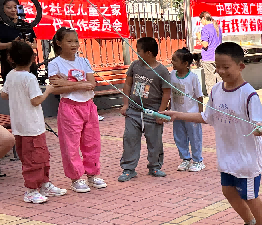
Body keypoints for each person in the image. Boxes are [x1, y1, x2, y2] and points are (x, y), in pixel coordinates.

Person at [165, 42, 262, 225]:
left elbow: (261, 124)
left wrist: (259, 129)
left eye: (226, 67)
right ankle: (249, 224)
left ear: (241, 66)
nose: (221, 71)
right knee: (228, 191)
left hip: (246, 157)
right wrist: (177, 115)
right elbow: (207, 117)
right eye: (217, 67)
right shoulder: (215, 90)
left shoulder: (249, 94)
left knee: (249, 195)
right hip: (227, 153)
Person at [0, 41, 65, 203]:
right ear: (33, 58)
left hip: (20, 126)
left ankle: (44, 183)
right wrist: (48, 90)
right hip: (32, 127)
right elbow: (36, 101)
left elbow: (4, 94)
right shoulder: (29, 78)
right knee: (35, 158)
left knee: (36, 156)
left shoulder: (10, 75)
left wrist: (17, 96)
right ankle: (30, 190)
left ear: (11, 59)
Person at [47, 28, 107, 193]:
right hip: (69, 106)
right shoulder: (55, 64)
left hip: (88, 105)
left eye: (76, 41)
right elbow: (55, 88)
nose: (74, 44)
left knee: (92, 141)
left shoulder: (84, 61)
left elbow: (92, 83)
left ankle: (92, 174)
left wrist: (67, 84)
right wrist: (80, 85)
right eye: (69, 41)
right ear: (59, 43)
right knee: (71, 145)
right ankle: (76, 178)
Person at [118, 37, 170, 182]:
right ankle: (128, 168)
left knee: (154, 140)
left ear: (148, 53)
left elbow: (166, 93)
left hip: (152, 112)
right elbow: (127, 85)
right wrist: (126, 104)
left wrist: (160, 112)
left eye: (138, 51)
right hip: (133, 111)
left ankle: (154, 166)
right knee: (130, 138)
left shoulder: (162, 71)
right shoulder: (135, 66)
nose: (136, 53)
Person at [169, 48, 205, 172]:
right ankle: (185, 159)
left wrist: (200, 113)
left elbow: (199, 96)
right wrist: (169, 109)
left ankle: (198, 160)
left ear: (185, 64)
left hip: (191, 114)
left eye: (175, 60)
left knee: (195, 137)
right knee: (179, 137)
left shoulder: (193, 77)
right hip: (177, 113)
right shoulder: (172, 75)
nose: (172, 62)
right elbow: (170, 93)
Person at [0, 0, 37, 82]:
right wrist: (12, 44)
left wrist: (28, 45)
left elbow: (34, 44)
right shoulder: (1, 26)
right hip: (9, 65)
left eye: (15, 7)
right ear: (2, 9)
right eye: (9, 7)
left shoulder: (25, 25)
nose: (13, 10)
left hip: (28, 65)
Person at [197, 12, 223, 95]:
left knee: (210, 82)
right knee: (220, 80)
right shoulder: (217, 27)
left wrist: (199, 38)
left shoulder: (205, 29)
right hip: (218, 57)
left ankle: (212, 102)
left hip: (208, 58)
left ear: (204, 18)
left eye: (201, 20)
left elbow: (205, 44)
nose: (201, 22)